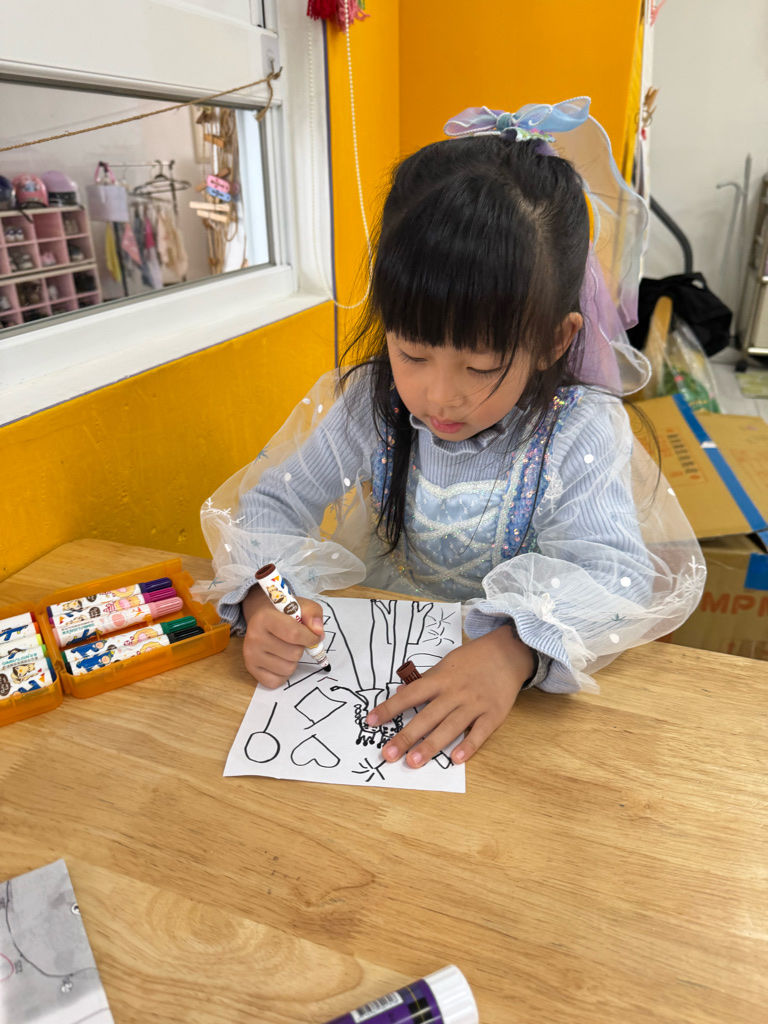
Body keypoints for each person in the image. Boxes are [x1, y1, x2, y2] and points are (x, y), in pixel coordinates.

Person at [197, 97, 705, 769]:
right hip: (379, 661)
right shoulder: (370, 403)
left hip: (518, 713)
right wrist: (274, 598)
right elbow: (269, 506)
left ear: (555, 341)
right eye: (412, 352)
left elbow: (618, 577)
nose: (438, 395)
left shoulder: (577, 430)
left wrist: (512, 649)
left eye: (481, 366)